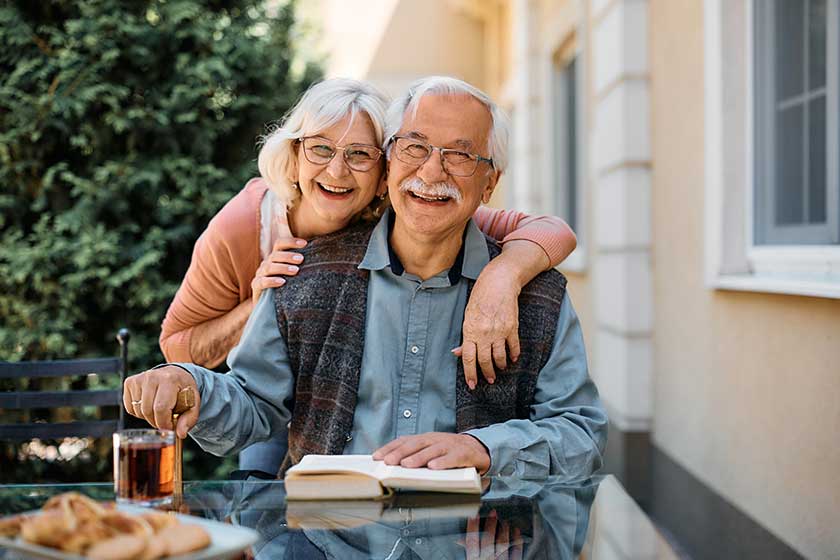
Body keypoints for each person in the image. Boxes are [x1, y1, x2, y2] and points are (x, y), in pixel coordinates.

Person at [127, 76, 606, 480]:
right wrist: (189, 382)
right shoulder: (299, 273)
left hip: (481, 539)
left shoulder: (537, 295)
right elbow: (254, 402)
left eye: (459, 156)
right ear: (392, 161)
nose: (431, 171)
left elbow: (582, 434)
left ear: (489, 183)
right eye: (415, 147)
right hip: (326, 541)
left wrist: (487, 450)